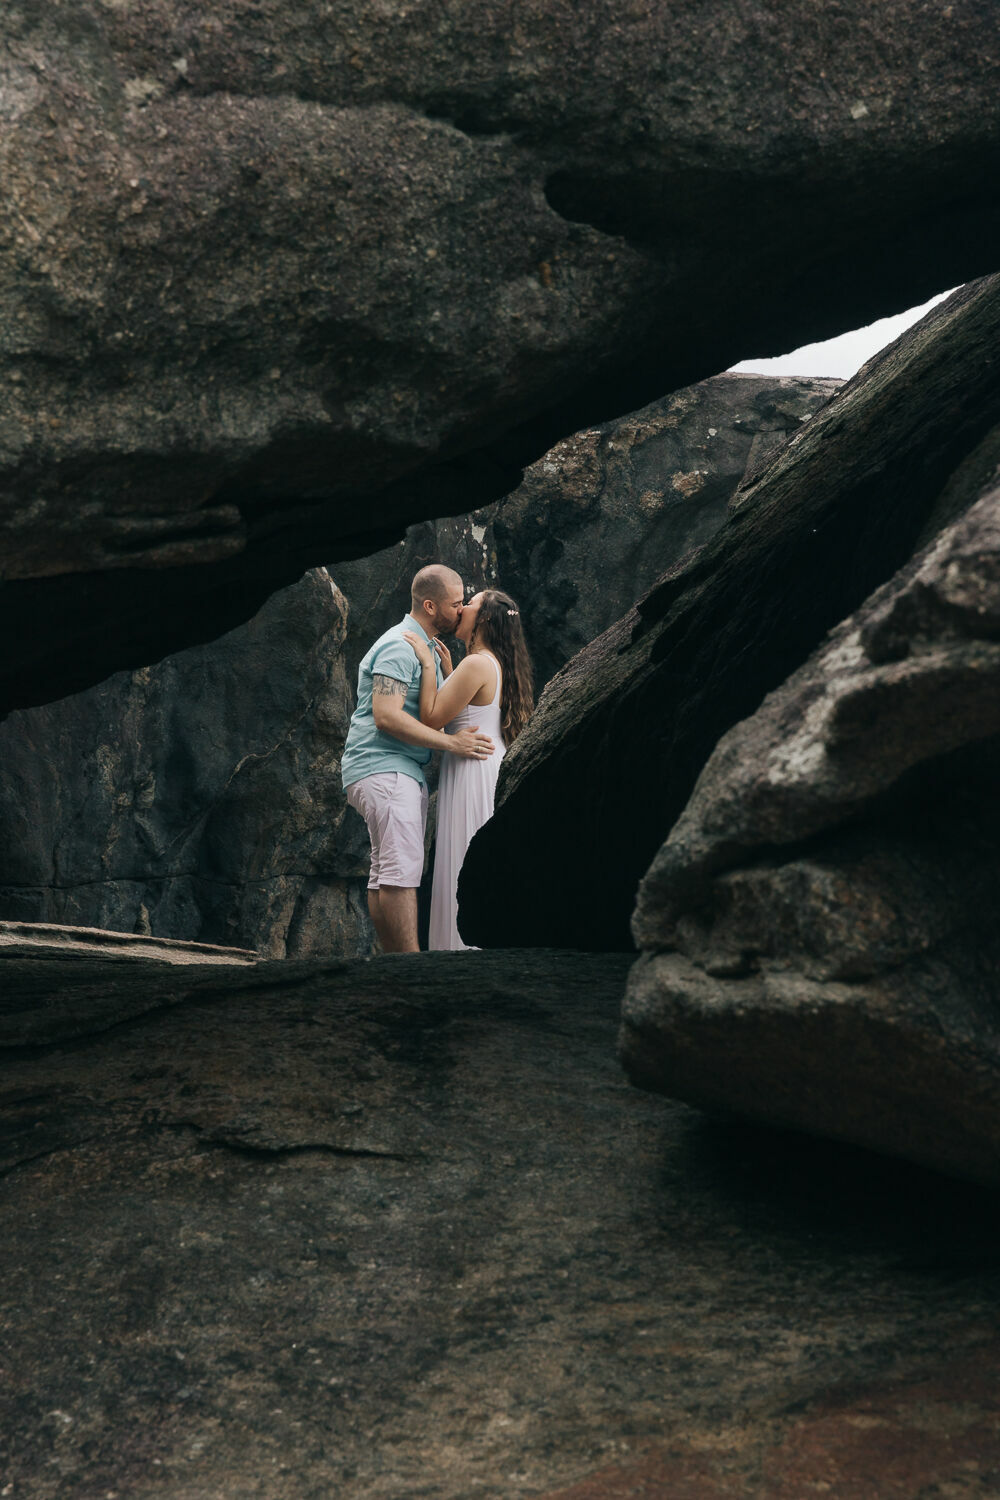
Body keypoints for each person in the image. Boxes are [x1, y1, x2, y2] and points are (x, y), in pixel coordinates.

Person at [341, 565, 495, 954]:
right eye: (455, 603)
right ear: (430, 606)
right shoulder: (399, 645)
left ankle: (395, 967)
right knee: (400, 874)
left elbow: (433, 714)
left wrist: (443, 670)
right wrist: (452, 745)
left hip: (391, 770)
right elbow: (386, 716)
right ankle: (413, 970)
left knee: (384, 874)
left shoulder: (425, 648)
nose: (461, 610)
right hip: (384, 768)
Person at [404, 588, 533, 950]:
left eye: (470, 603)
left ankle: (463, 953)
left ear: (485, 618)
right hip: (481, 765)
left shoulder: (477, 664)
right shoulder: (488, 662)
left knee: (463, 859)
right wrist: (449, 672)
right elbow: (469, 711)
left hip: (473, 770)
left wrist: (427, 665)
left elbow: (432, 717)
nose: (461, 608)